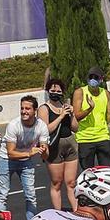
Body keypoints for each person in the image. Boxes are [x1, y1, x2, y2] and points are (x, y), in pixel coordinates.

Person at [2, 96, 50, 220]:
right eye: (22, 108)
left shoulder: (41, 126)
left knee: (31, 195)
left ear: (35, 111)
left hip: (26, 159)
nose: (24, 111)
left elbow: (45, 154)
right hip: (6, 159)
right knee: (3, 195)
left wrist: (44, 151)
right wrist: (29, 153)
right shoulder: (13, 125)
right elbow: (11, 153)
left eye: (28, 108)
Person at [41, 79, 79, 211]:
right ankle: (58, 212)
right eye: (53, 91)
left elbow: (75, 128)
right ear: (48, 91)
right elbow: (46, 130)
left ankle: (76, 210)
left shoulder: (65, 106)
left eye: (58, 91)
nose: (55, 93)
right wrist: (60, 116)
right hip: (54, 146)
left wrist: (72, 114)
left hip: (69, 143)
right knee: (57, 182)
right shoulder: (44, 108)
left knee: (71, 182)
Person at [74, 69, 110, 170]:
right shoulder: (80, 92)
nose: (93, 80)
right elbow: (77, 116)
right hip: (85, 139)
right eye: (90, 77)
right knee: (88, 173)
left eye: (96, 77)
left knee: (108, 171)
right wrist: (90, 109)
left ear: (101, 79)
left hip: (103, 137)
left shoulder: (106, 94)